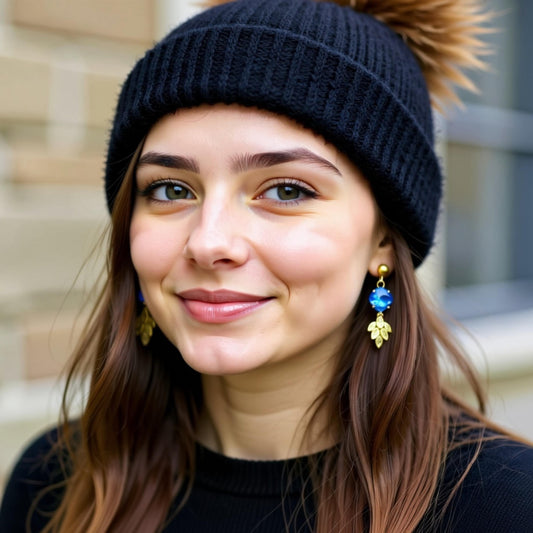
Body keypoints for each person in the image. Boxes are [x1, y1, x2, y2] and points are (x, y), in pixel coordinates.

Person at [1, 0, 533, 531]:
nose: (209, 243)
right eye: (170, 189)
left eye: (285, 190)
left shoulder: (505, 506)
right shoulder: (53, 483)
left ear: (383, 243)